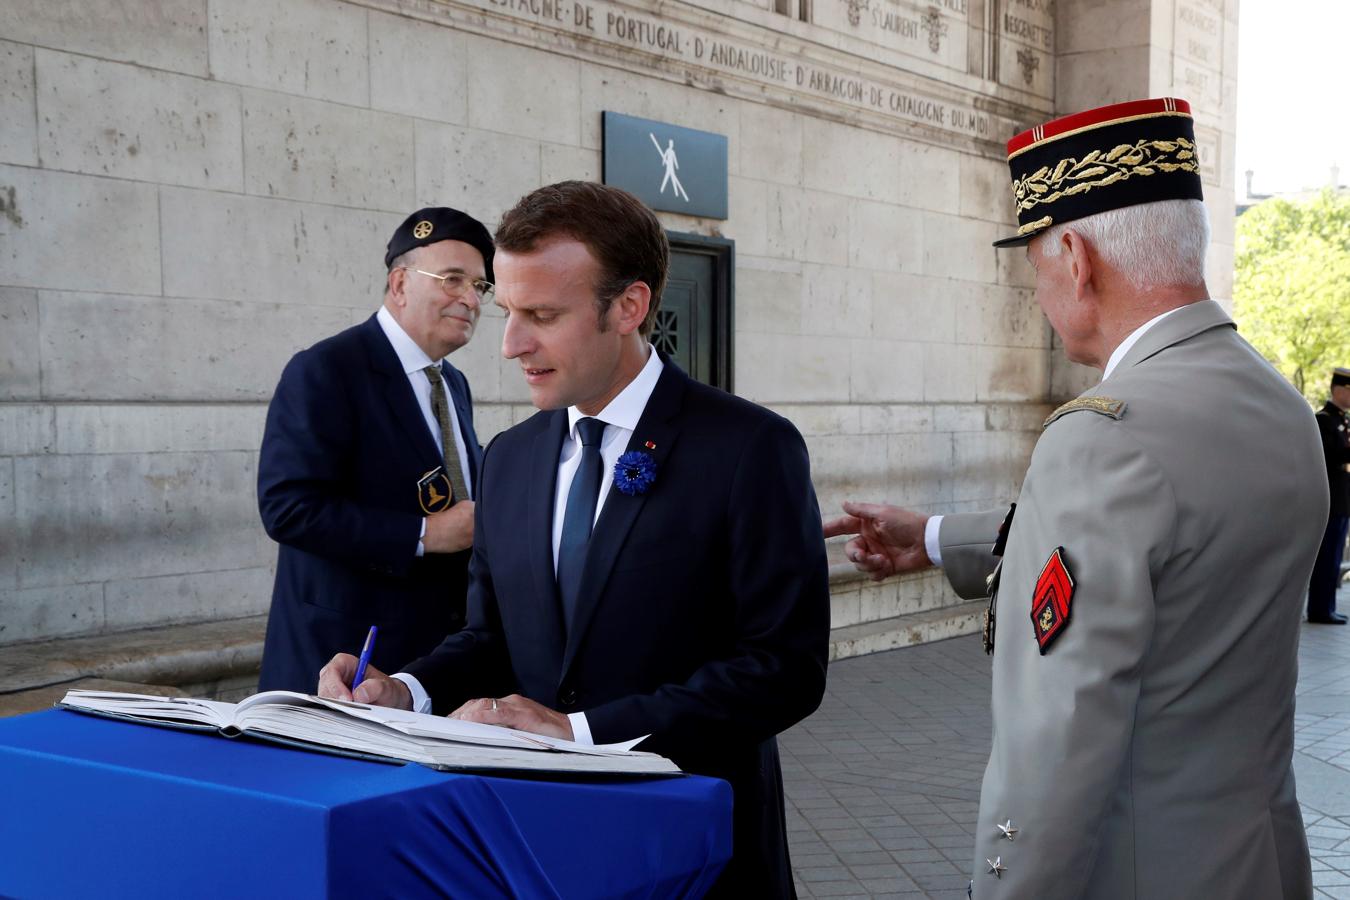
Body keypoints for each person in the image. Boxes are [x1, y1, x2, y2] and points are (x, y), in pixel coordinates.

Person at [825, 98, 1324, 899]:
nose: (1039, 293)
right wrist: (938, 536)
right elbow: (1176, 545)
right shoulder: (1278, 406)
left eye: (1033, 267)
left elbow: (1053, 748)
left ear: (1075, 256)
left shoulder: (1101, 437)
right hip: (1257, 865)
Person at [318, 181, 830, 896]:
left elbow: (785, 669)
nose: (509, 344)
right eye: (507, 311)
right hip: (533, 846)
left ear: (629, 307)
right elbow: (492, 637)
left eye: (542, 315)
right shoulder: (512, 457)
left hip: (694, 851)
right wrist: (407, 689)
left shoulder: (751, 448)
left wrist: (581, 731)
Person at [256, 207, 493, 692]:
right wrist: (425, 533)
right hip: (343, 665)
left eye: (480, 287)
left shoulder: (453, 383)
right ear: (400, 284)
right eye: (452, 280)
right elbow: (287, 508)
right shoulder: (327, 369)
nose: (470, 298)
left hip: (428, 666)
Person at [1308, 367, 1350, 624]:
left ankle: (1328, 606)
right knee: (1326, 557)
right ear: (1339, 389)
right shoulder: (1324, 420)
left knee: (1334, 557)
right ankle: (1319, 609)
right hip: (1331, 499)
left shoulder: (1343, 420)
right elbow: (1329, 456)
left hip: (1343, 499)